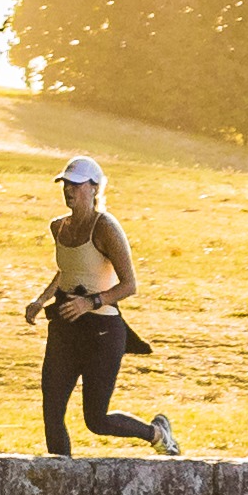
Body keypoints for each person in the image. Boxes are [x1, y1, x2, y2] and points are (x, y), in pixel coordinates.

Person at [33, 155, 181, 456]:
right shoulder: (58, 227)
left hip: (102, 332)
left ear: (94, 188)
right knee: (52, 409)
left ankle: (157, 433)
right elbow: (68, 270)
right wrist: (41, 299)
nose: (68, 190)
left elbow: (129, 285)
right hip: (64, 327)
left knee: (96, 420)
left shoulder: (106, 228)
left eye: (76, 184)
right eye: (65, 184)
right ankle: (62, 482)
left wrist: (91, 303)